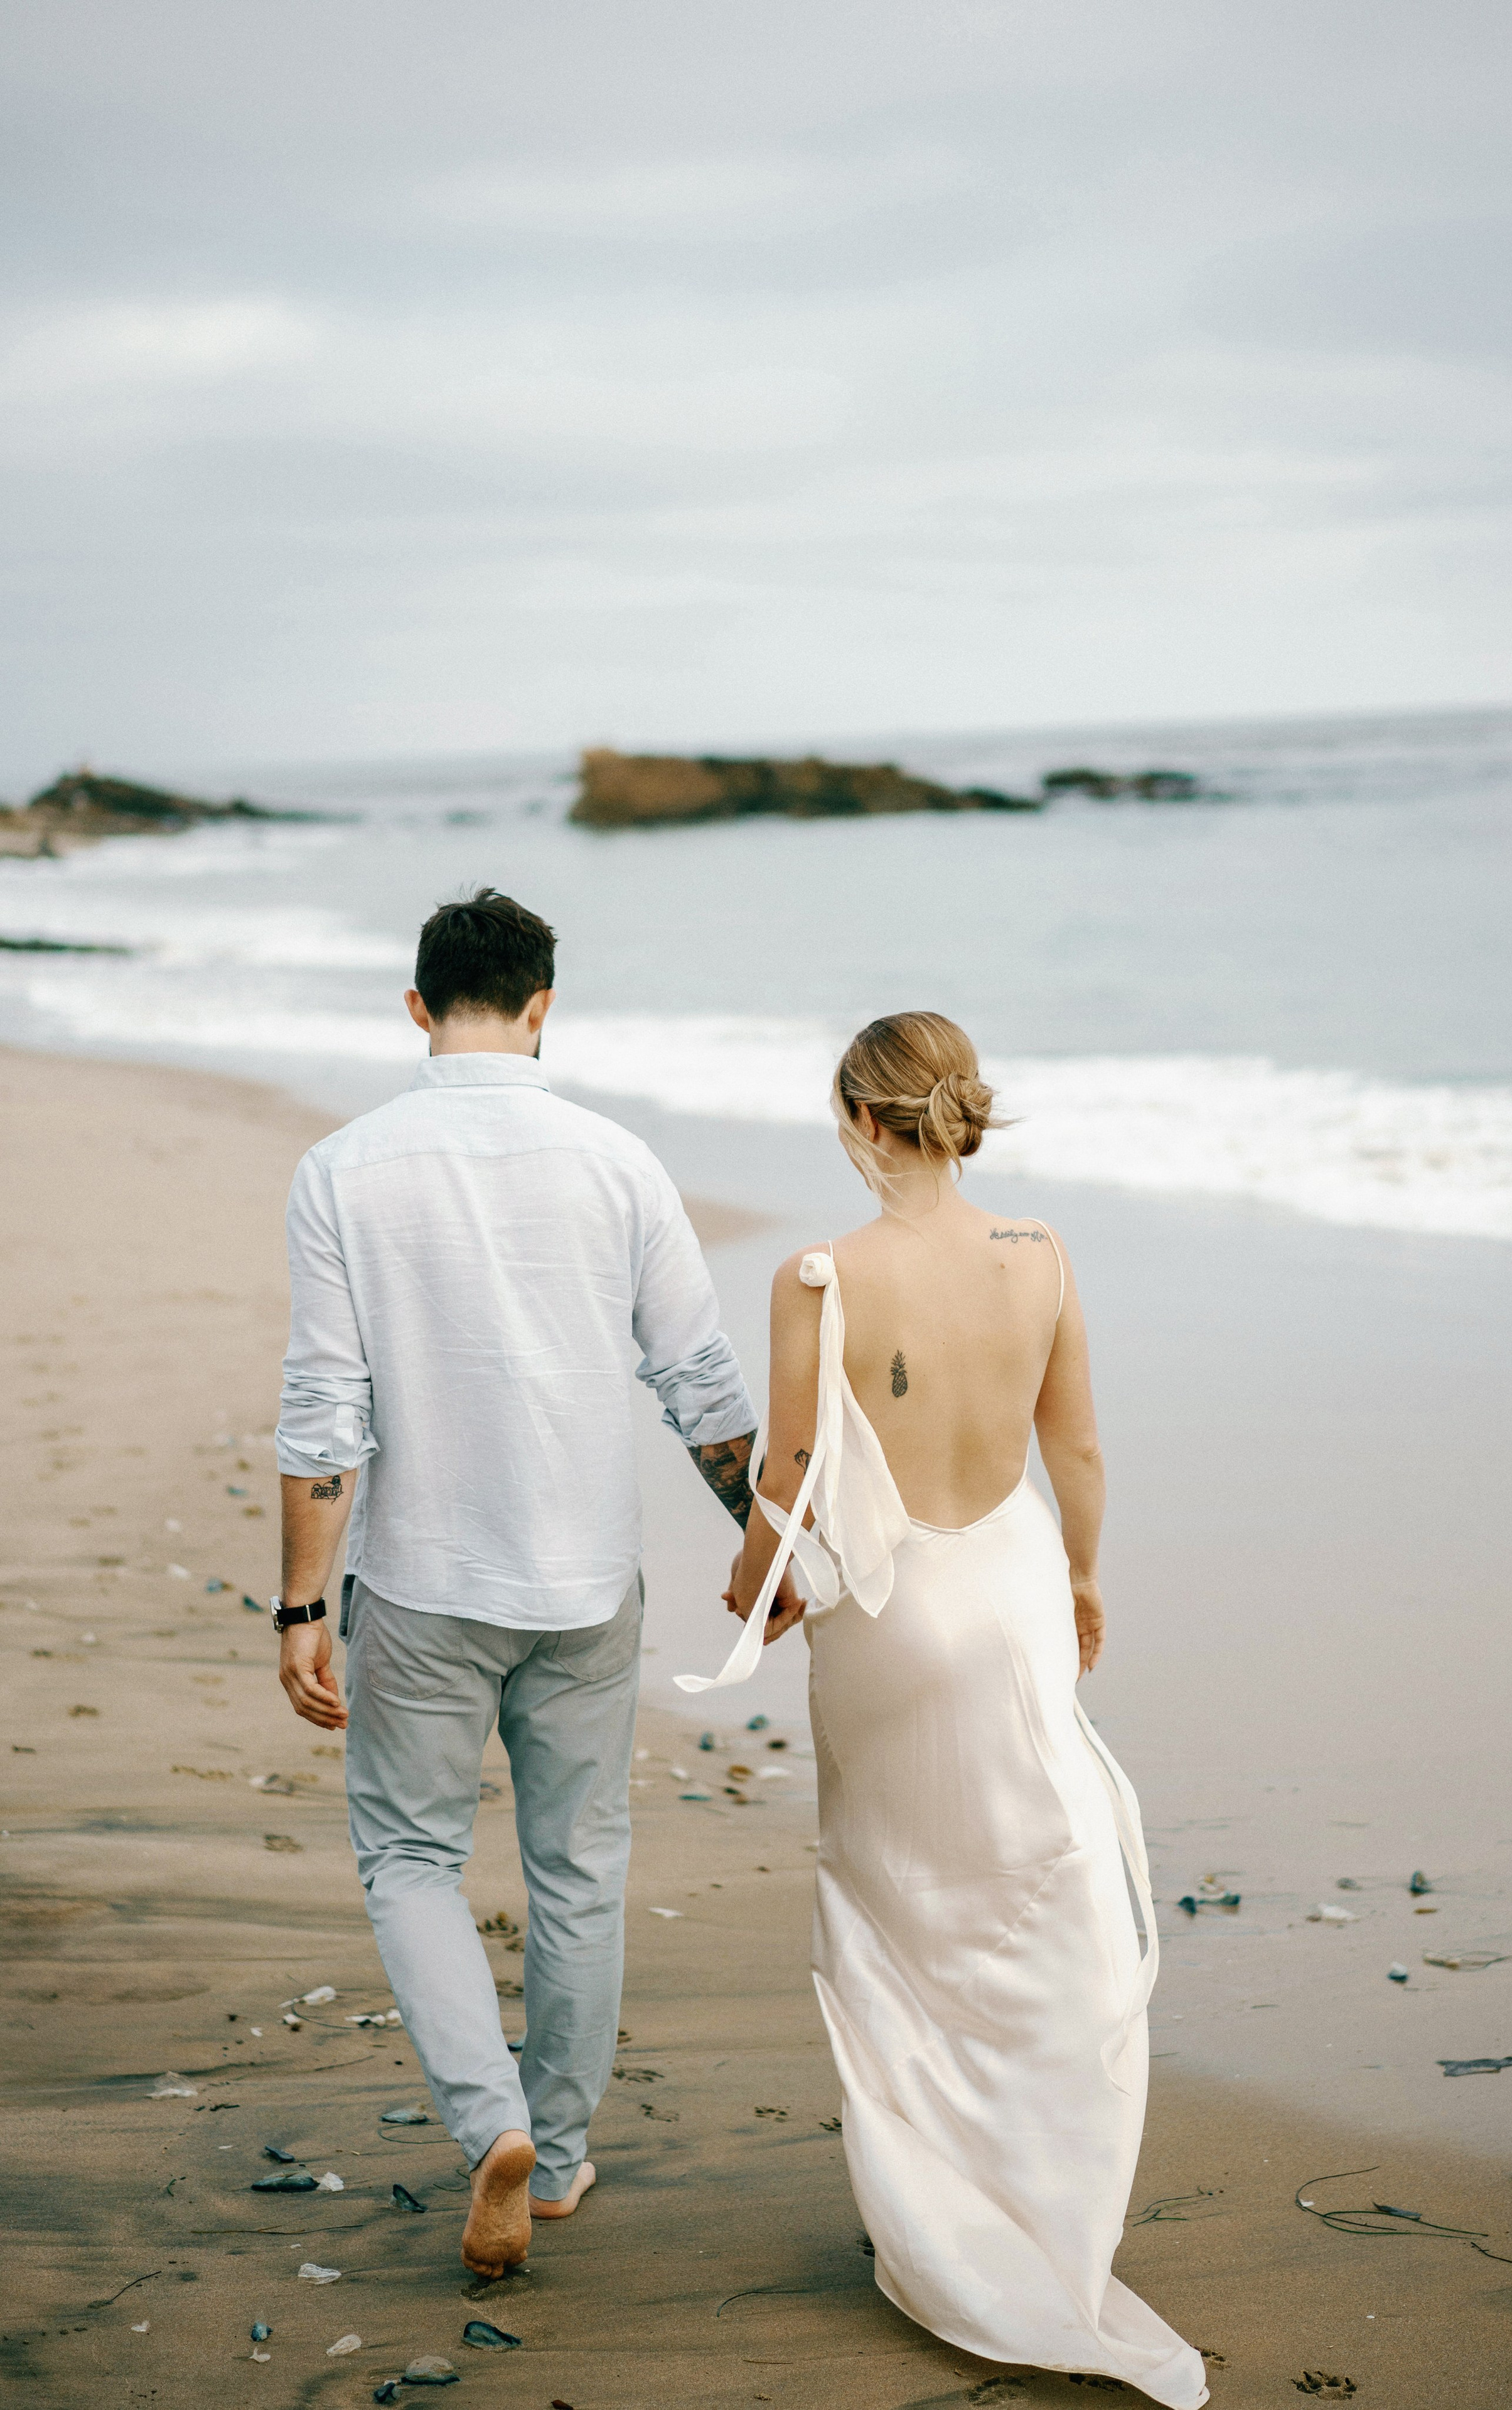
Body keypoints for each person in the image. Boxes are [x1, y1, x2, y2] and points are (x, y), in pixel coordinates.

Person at [682, 1011, 1208, 2409]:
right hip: (1014, 1580)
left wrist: (753, 1582)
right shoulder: (1041, 1252)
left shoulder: (820, 1274)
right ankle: (1038, 2196)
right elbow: (1074, 1444)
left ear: (864, 1121)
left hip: (893, 1613)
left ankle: (936, 2218)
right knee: (1028, 1884)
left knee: (895, 1905)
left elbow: (791, 1471)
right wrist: (1082, 1575)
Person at [272, 887, 798, 2280]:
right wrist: (763, 1544)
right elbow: (700, 1382)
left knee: (409, 1859)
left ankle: (487, 2121)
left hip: (424, 1579)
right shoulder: (619, 1162)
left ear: (417, 1007)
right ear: (543, 1008)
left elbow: (324, 1411)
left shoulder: (342, 1170)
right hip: (584, 1583)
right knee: (578, 1870)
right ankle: (553, 2158)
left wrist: (301, 1604)